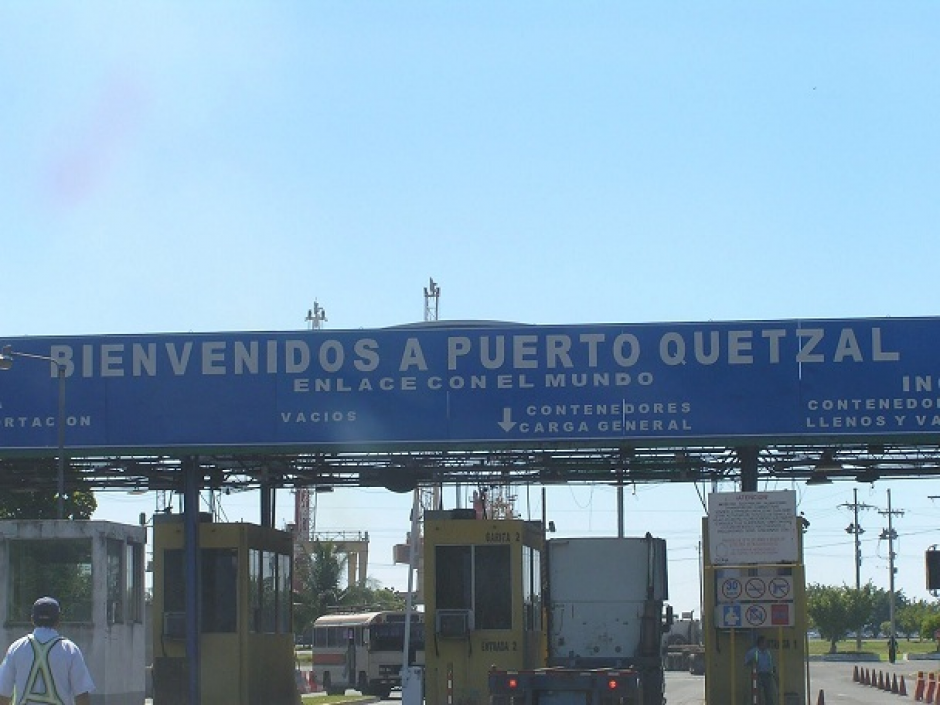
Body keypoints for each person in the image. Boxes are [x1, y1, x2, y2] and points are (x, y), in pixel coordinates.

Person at [0, 597, 95, 705]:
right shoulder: (70, 650)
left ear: (32, 620)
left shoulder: (16, 648)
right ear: (58, 621)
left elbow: (3, 693)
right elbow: (82, 695)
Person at [744, 635, 776, 705]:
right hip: (758, 676)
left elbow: (771, 663)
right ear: (761, 643)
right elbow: (746, 661)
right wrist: (752, 662)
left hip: (768, 675)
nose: (766, 644)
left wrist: (774, 674)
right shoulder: (753, 651)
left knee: (769, 694)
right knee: (757, 694)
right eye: (765, 642)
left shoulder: (768, 652)